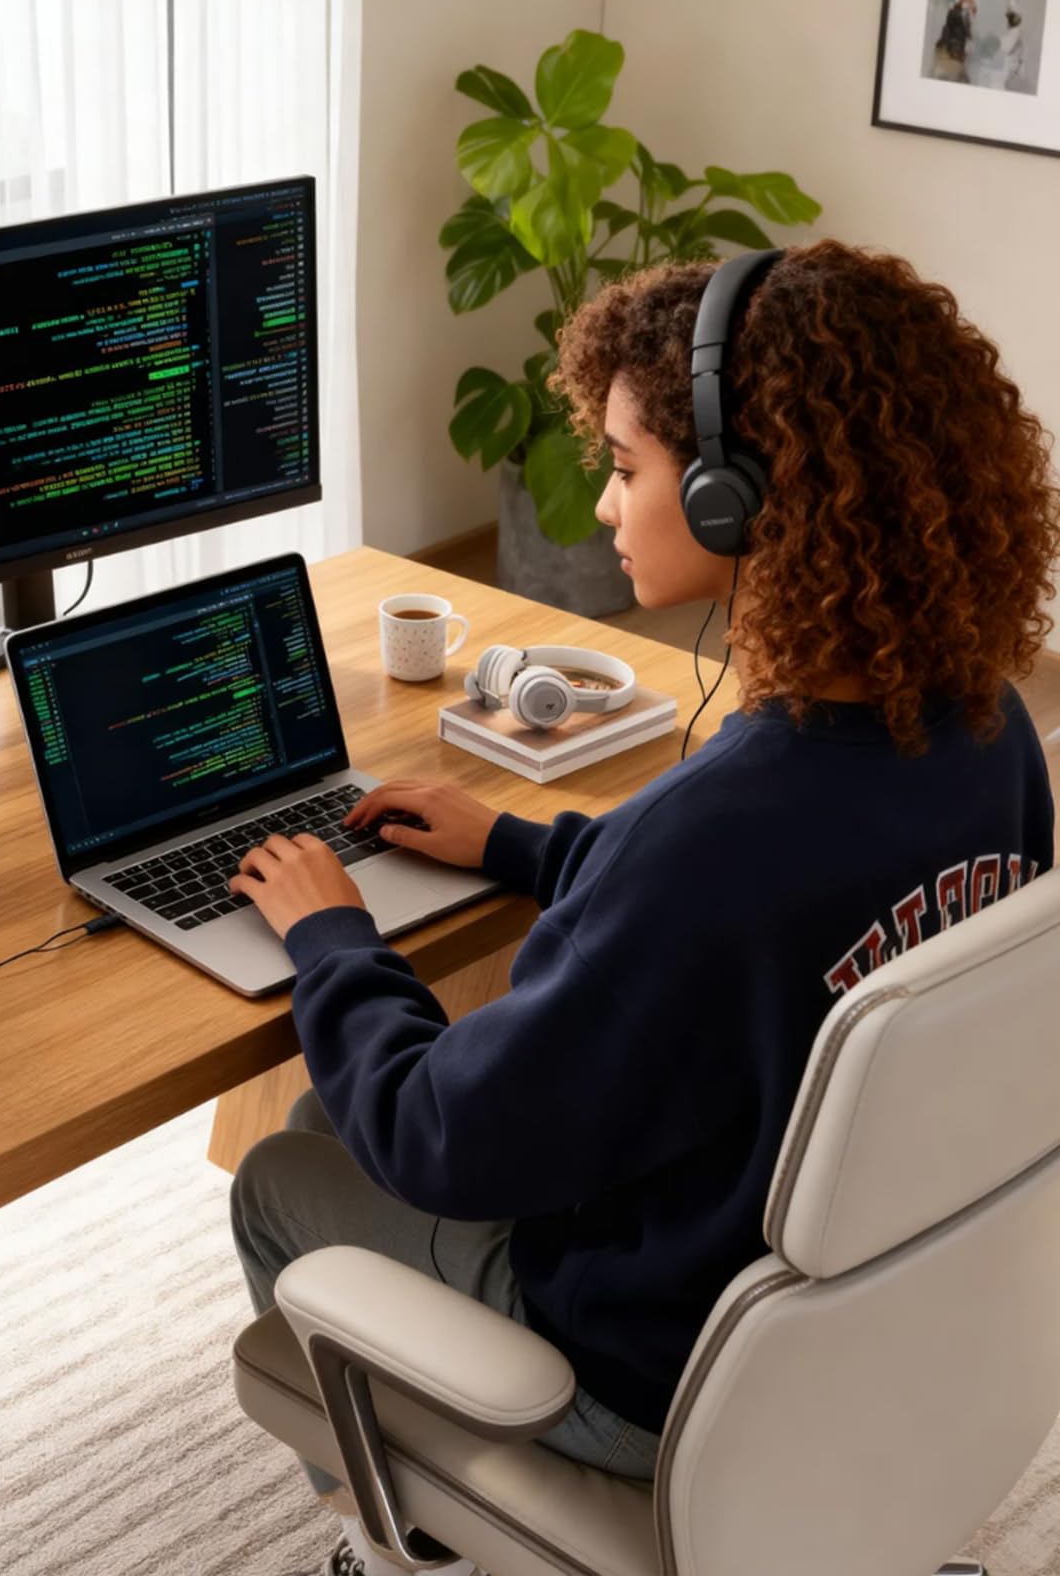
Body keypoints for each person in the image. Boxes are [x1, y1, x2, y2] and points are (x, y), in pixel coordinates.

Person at [228, 240, 1058, 1576]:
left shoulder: (710, 843)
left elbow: (439, 1135)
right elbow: (761, 924)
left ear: (742, 495)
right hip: (872, 1314)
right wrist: (519, 844)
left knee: (291, 1170)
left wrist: (331, 936)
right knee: (335, 1112)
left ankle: (402, 1543)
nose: (607, 506)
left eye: (625, 467)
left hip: (655, 1373)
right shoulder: (988, 732)